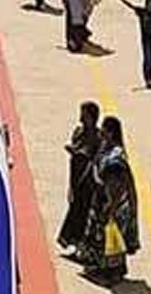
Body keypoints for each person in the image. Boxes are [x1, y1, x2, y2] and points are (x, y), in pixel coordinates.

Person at [77, 116, 140, 283]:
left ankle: (111, 272)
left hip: (114, 204)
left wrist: (110, 208)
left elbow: (117, 187)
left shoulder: (115, 158)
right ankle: (106, 268)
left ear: (111, 132)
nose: (101, 132)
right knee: (106, 236)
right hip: (104, 199)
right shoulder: (106, 148)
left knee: (111, 237)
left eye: (104, 129)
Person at [58, 101, 103, 249]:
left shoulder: (98, 137)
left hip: (88, 180)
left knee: (83, 212)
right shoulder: (78, 132)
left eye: (84, 115)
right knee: (75, 208)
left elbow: (94, 156)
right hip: (76, 176)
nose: (81, 118)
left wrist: (80, 153)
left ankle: (80, 244)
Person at [121, 0, 151, 87]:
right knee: (147, 56)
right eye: (150, 4)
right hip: (146, 40)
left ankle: (150, 74)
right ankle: (147, 78)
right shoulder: (142, 13)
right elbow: (131, 6)